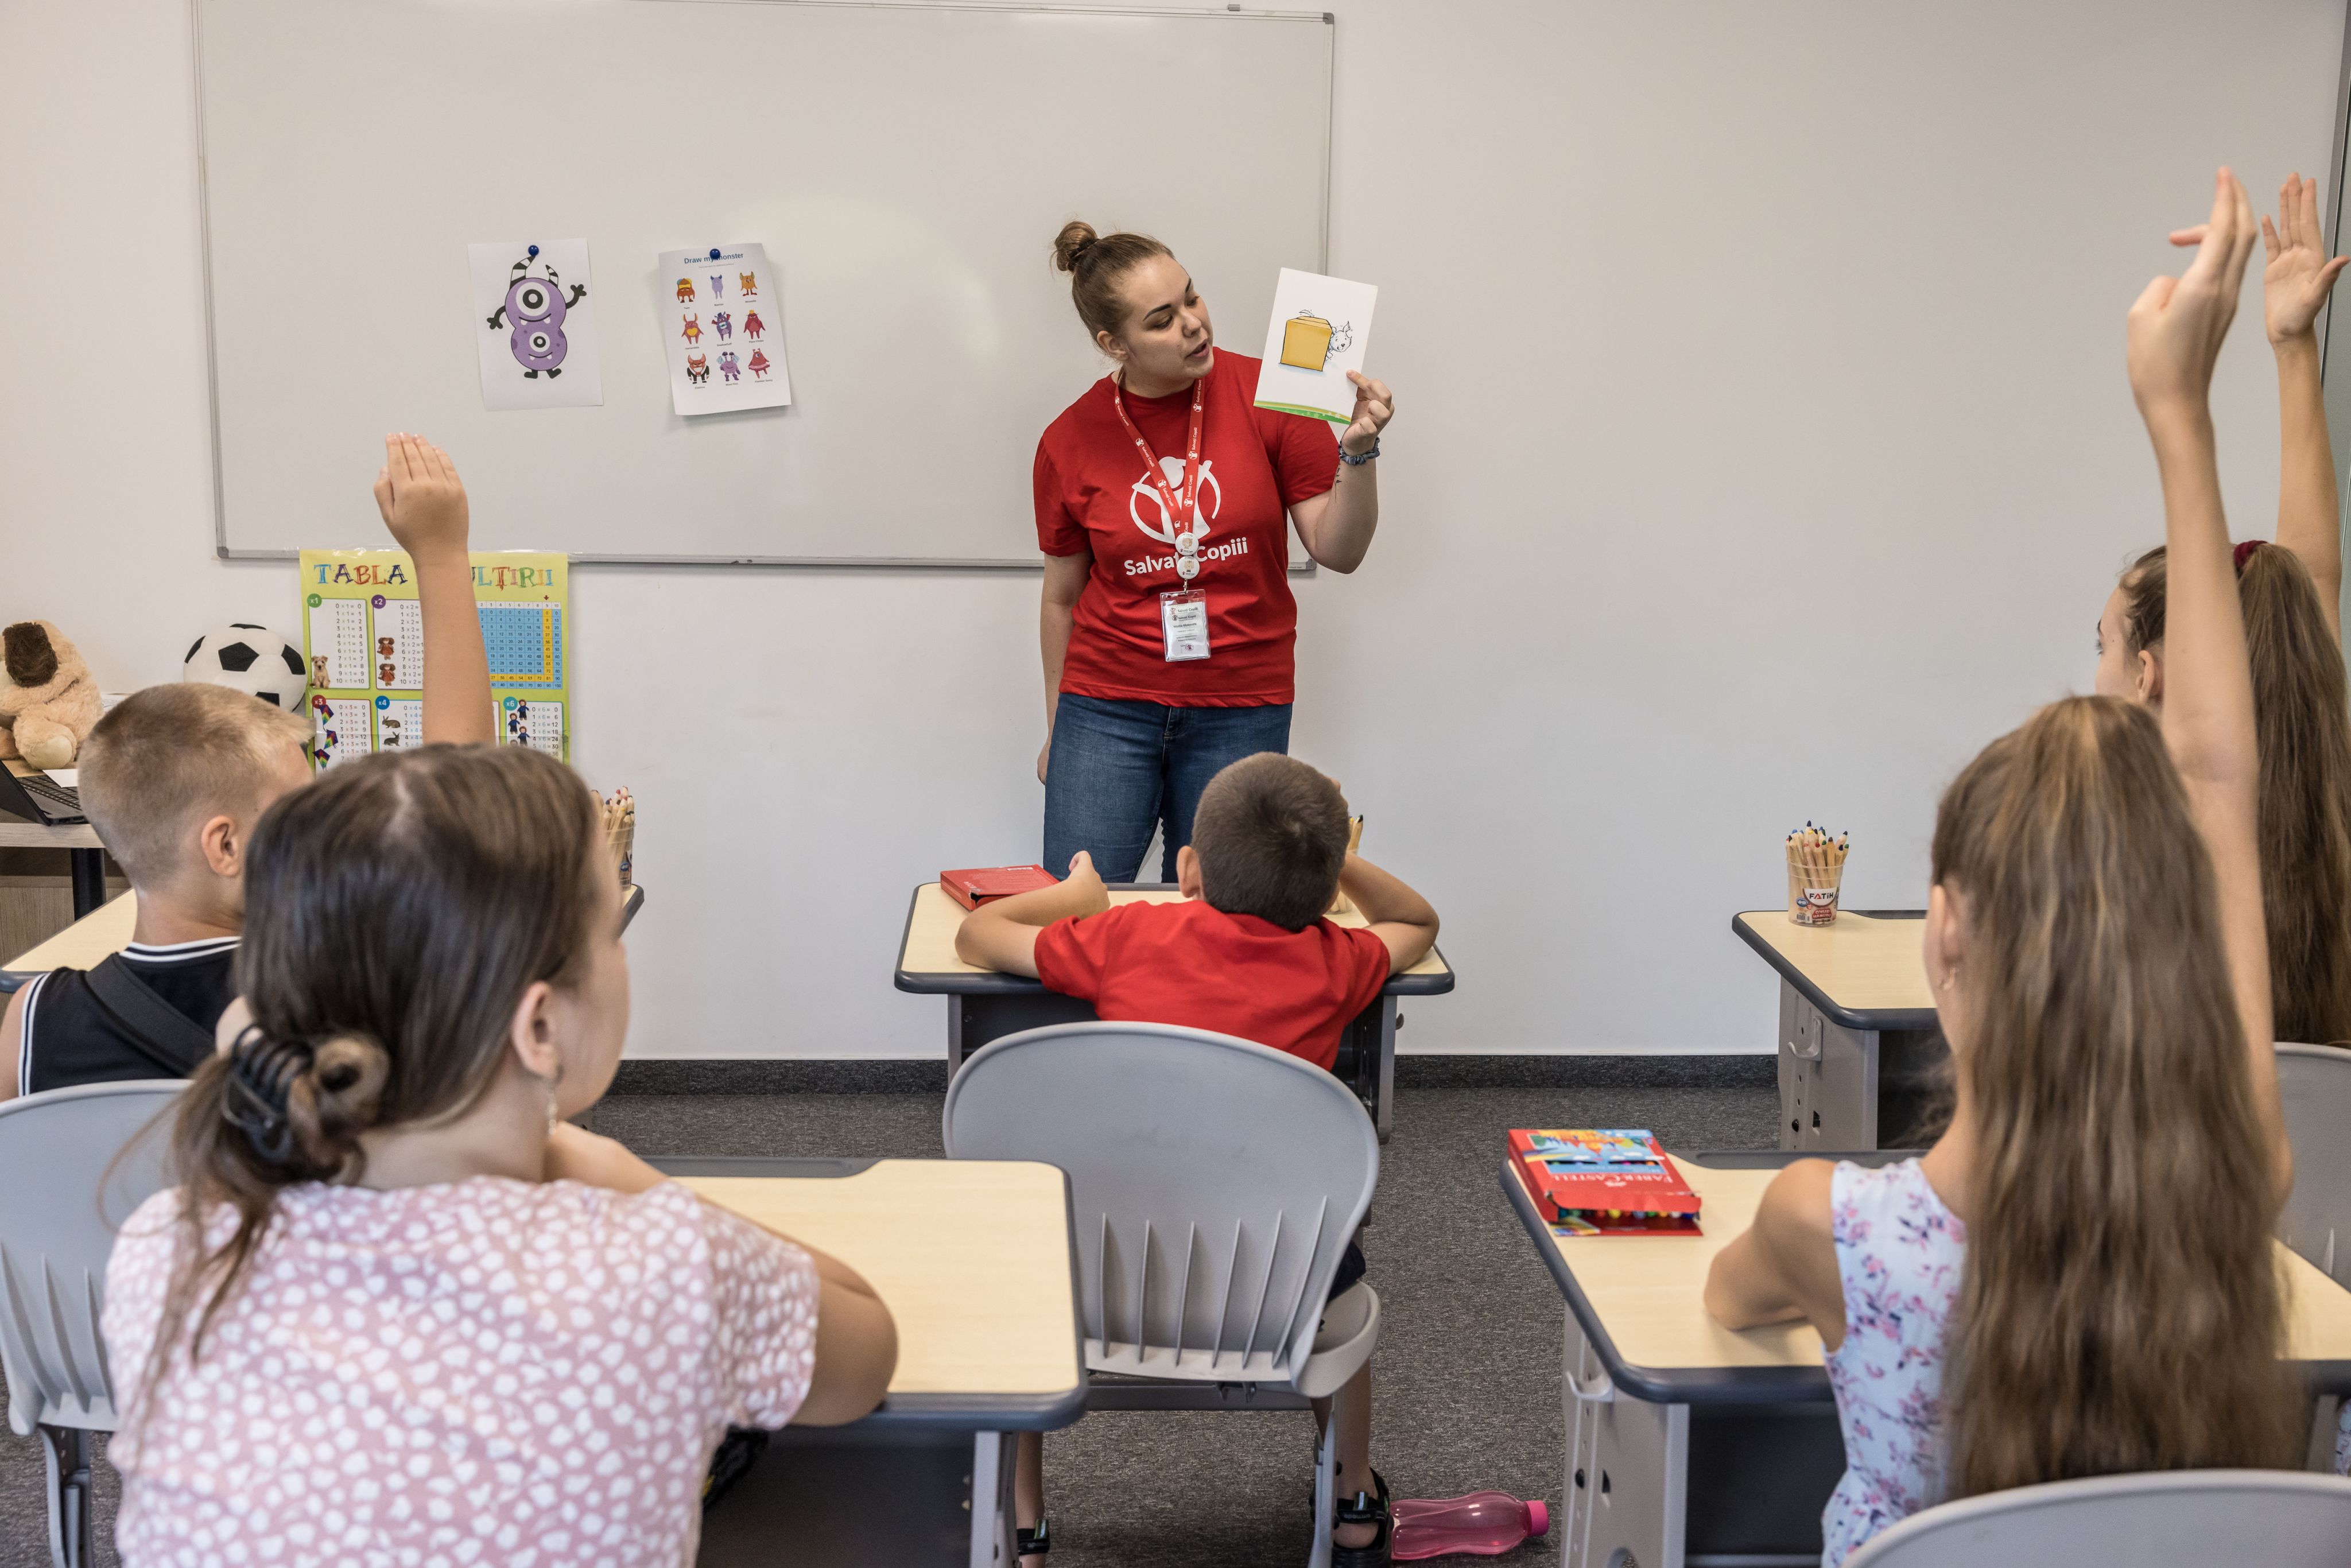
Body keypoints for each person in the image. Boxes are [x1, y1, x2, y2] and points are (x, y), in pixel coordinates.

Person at [1705, 170, 2304, 1566]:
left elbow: (1733, 1306)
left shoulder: (1832, 1224)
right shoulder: (2243, 1182)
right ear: (2171, 936)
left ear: (1950, 929)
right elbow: (2222, 775)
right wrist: (2182, 411)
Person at [101, 743, 899, 1562]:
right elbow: (867, 1352)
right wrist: (625, 1178)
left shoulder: (167, 1247)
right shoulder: (660, 1262)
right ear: (542, 1026)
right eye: (610, 927)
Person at [958, 751, 1438, 1566]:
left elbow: (977, 935)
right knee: (1345, 1278)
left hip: (1103, 1275)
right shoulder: (1336, 961)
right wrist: (1339, 855)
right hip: (1278, 1293)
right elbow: (1420, 922)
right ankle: (1354, 1497)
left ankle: (1026, 1520)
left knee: (1018, 1282)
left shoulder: (1129, 934)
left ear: (1187, 869)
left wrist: (1077, 897)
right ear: (1328, 893)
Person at [0, 434, 492, 1100]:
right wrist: (441, 554)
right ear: (226, 843)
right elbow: (464, 794)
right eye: (299, 809)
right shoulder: (347, 994)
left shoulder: (30, 1022)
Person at [1033, 221, 1397, 882]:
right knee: (1076, 916)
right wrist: (1061, 728)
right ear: (1113, 343)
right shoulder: (1068, 439)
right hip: (1107, 705)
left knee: (1223, 921)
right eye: (1163, 319)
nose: (1195, 325)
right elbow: (1061, 597)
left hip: (1242, 706)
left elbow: (1339, 549)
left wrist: (1359, 452)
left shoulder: (1275, 398)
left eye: (1192, 298)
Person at [2096, 172, 2351, 1044]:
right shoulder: (2330, 824)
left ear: (2147, 675)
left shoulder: (2150, 874)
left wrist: (2179, 402)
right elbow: (2310, 581)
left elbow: (2210, 764)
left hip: (2193, 1185)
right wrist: (2293, 346)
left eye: (2103, 644)